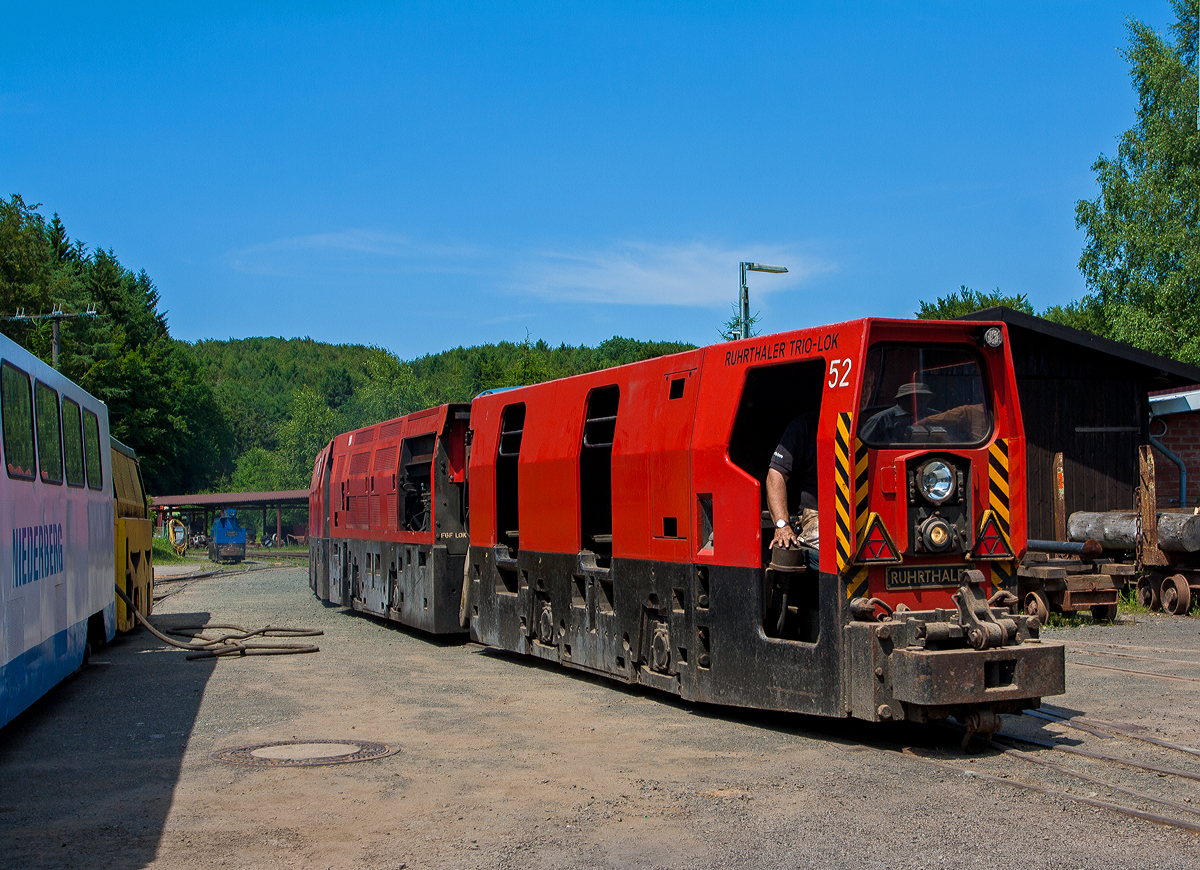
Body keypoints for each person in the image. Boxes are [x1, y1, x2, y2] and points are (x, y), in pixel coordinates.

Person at [766, 411, 820, 569]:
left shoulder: (876, 423)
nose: (865, 394)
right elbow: (776, 475)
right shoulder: (806, 426)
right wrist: (782, 526)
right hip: (815, 520)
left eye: (868, 388)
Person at [859, 381, 937, 444]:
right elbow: (863, 447)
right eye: (917, 397)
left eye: (926, 397)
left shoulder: (934, 416)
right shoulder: (880, 420)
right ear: (902, 399)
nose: (922, 400)